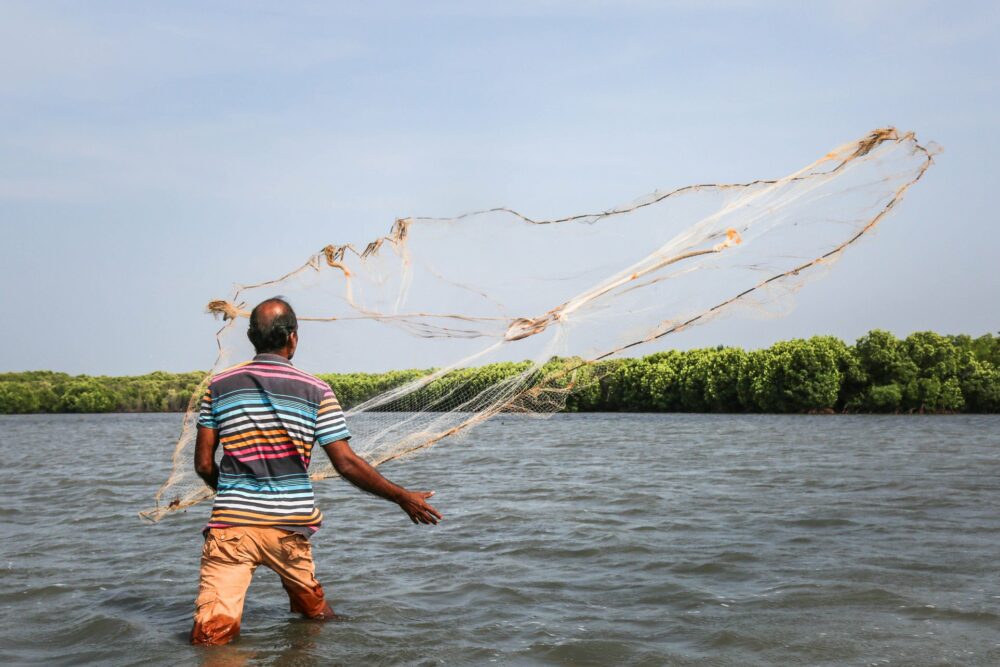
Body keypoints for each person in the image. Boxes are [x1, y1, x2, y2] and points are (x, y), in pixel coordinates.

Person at [190, 297, 442, 646]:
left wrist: (235, 495)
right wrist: (402, 497)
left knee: (212, 636)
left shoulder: (219, 387)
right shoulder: (316, 390)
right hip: (289, 529)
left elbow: (203, 463)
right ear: (293, 337)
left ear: (251, 338)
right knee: (316, 619)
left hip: (231, 529)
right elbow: (346, 462)